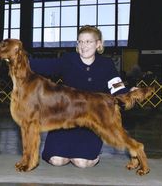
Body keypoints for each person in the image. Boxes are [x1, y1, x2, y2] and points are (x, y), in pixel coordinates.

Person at [30, 25, 129, 168]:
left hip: (91, 122)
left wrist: (130, 92)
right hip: (65, 119)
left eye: (88, 41)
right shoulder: (68, 59)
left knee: (81, 163)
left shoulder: (106, 64)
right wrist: (18, 57)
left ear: (98, 44)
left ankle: (92, 155)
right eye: (80, 41)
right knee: (57, 161)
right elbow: (44, 65)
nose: (84, 45)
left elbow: (117, 87)